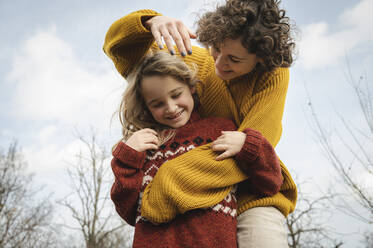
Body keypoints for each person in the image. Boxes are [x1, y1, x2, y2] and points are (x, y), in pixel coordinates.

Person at [104, 0, 297, 247]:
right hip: (190, 208)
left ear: (261, 59)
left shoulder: (273, 74)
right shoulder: (198, 63)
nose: (219, 63)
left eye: (234, 59)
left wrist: (166, 182)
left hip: (250, 192)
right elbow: (122, 51)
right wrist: (150, 22)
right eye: (216, 48)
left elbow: (252, 147)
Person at [111, 51, 282, 248]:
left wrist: (249, 146)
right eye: (157, 104)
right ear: (146, 107)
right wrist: (127, 158)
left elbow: (269, 184)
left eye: (176, 95)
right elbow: (128, 211)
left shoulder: (219, 130)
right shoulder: (146, 145)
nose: (171, 108)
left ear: (191, 87)